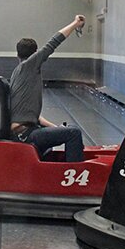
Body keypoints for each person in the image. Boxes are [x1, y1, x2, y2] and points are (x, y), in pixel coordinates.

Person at [9, 15, 86, 162]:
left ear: (17, 53)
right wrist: (76, 23)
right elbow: (53, 43)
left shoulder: (18, 73)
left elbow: (33, 116)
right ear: (35, 53)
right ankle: (75, 176)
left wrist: (56, 127)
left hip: (26, 130)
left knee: (69, 128)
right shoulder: (28, 66)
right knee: (74, 133)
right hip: (25, 135)